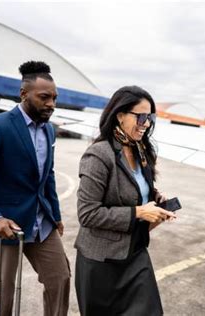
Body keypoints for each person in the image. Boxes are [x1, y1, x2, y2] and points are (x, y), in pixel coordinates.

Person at [0, 61, 70, 316]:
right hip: (5, 227)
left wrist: (57, 214)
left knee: (59, 278)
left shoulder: (49, 130)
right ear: (23, 94)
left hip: (42, 221)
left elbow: (46, 175)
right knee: (0, 302)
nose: (51, 103)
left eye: (54, 98)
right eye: (44, 97)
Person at [74, 85, 176, 315]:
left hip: (136, 253)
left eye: (149, 118)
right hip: (101, 261)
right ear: (119, 115)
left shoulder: (142, 150)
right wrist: (138, 213)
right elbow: (88, 213)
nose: (146, 124)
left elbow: (136, 189)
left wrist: (156, 198)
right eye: (141, 117)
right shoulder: (98, 155)